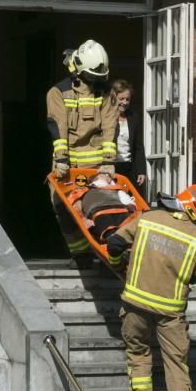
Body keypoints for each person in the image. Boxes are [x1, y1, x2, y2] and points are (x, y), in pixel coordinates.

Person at [105, 185, 196, 391]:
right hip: (171, 311)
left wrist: (117, 266)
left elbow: (114, 243)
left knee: (138, 351)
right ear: (194, 209)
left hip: (136, 303)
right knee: (176, 362)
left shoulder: (147, 219)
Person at [46, 39, 118, 268]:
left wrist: (109, 163)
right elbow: (58, 127)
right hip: (67, 163)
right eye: (92, 76)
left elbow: (110, 126)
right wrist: (61, 161)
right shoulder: (58, 93)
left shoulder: (106, 93)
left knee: (102, 206)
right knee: (63, 208)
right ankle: (81, 255)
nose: (97, 82)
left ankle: (107, 251)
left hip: (98, 165)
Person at [111, 79, 146, 195]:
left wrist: (141, 171)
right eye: (121, 99)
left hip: (129, 168)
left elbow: (138, 146)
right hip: (112, 167)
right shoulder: (106, 117)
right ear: (113, 98)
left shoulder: (134, 117)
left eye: (127, 99)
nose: (125, 102)